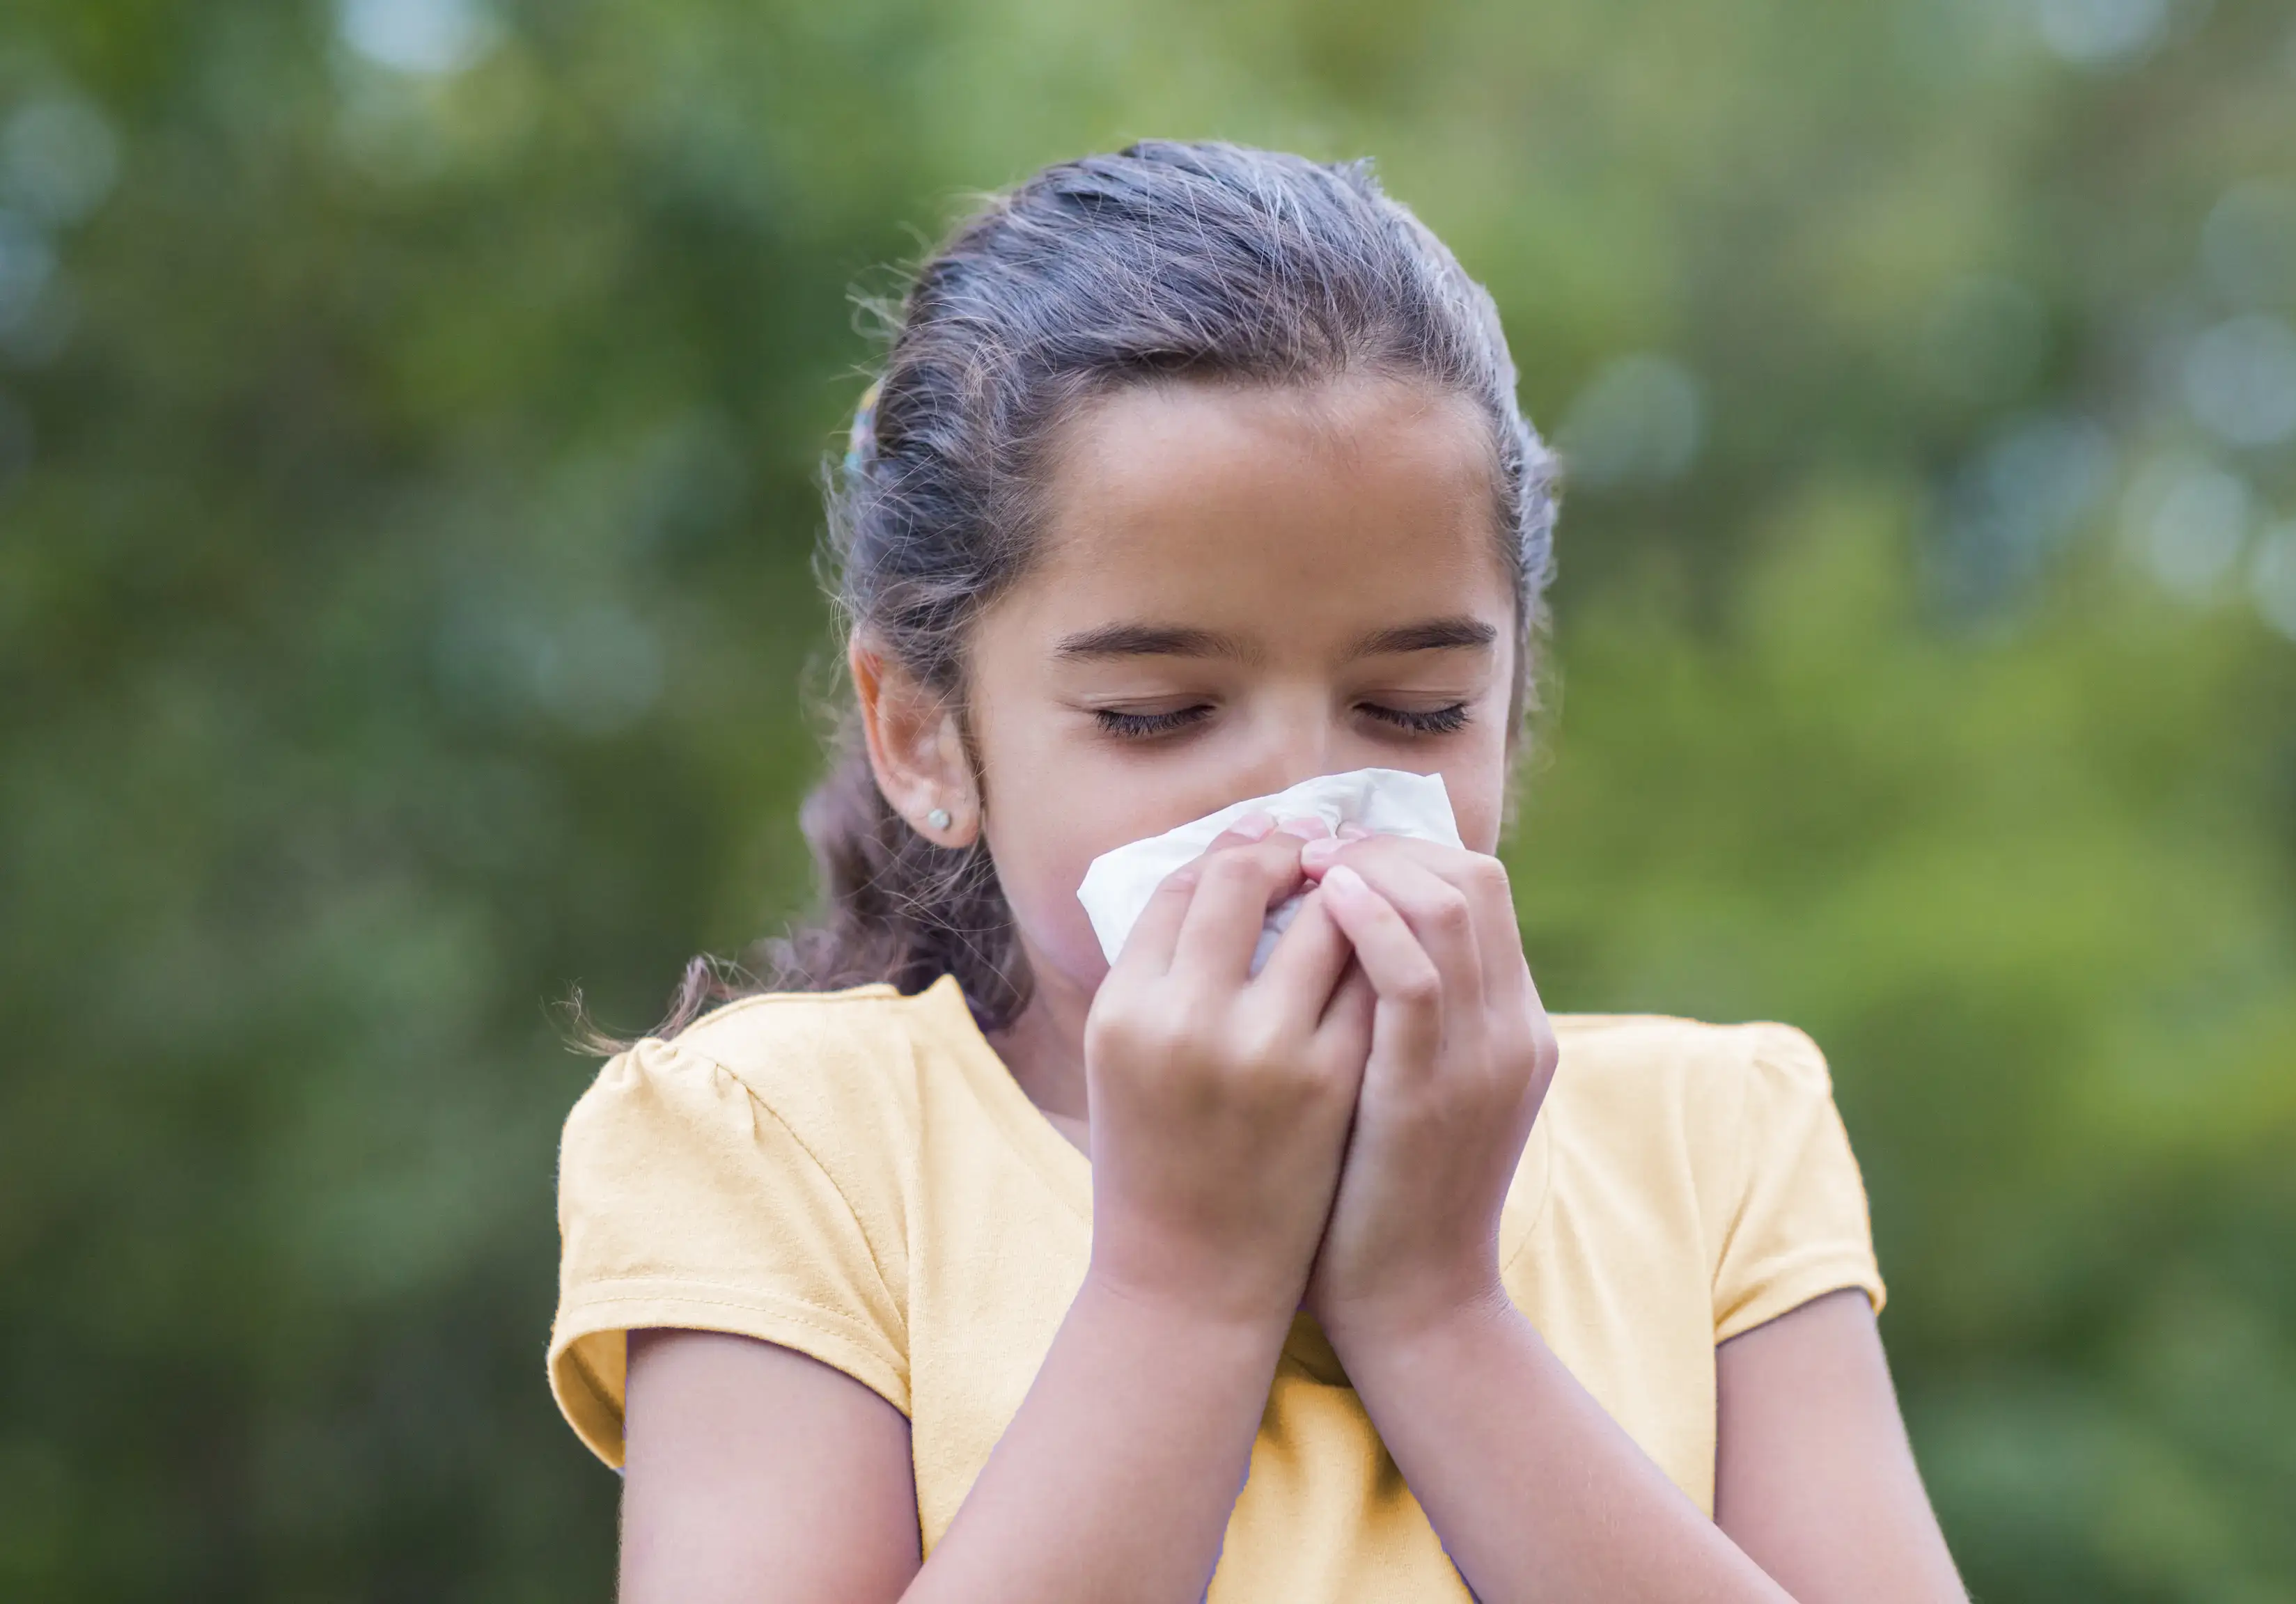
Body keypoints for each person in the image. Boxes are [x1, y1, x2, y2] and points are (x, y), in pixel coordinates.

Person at [547, 140, 1969, 1603]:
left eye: (1413, 712)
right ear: (925, 738)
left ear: (1514, 707)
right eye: (1156, 716)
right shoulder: (782, 1145)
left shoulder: (1717, 1143)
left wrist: (1435, 1312)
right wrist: (1184, 1287)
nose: (1300, 802)